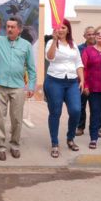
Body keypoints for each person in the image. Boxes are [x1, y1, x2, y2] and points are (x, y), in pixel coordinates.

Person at [0, 11, 36, 161]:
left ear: (19, 29)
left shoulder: (26, 45)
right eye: (8, 26)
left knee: (16, 119)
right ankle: (1, 147)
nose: (9, 29)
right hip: (0, 85)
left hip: (18, 86)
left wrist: (31, 86)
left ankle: (15, 145)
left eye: (13, 27)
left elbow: (31, 68)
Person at [44, 18, 84, 158]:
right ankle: (54, 143)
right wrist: (54, 41)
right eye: (58, 27)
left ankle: (70, 138)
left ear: (68, 29)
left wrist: (82, 79)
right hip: (54, 81)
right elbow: (50, 57)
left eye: (63, 27)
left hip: (72, 82)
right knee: (55, 112)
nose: (60, 30)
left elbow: (78, 63)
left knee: (76, 110)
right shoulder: (50, 42)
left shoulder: (74, 45)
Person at [76, 26, 96, 136]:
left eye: (93, 34)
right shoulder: (78, 49)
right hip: (81, 81)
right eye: (89, 34)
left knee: (96, 107)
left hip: (96, 83)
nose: (92, 36)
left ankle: (96, 128)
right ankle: (80, 127)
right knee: (80, 106)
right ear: (84, 36)